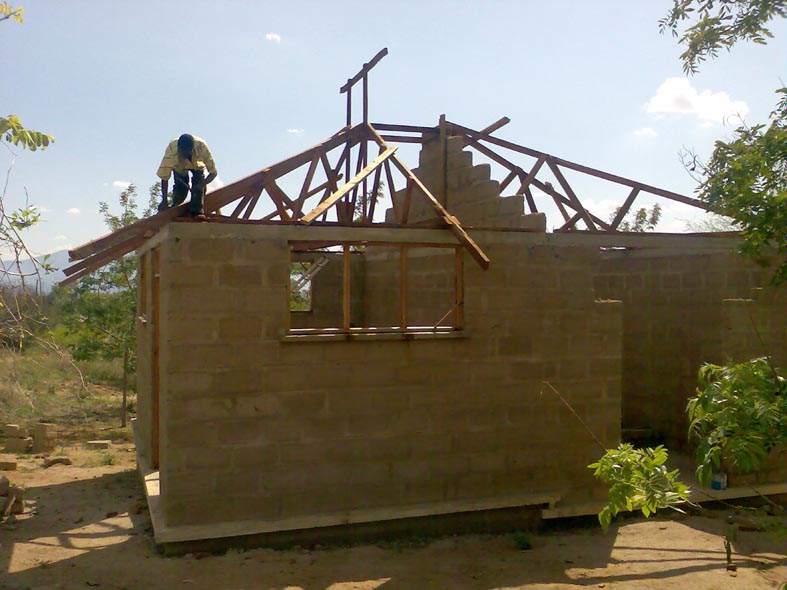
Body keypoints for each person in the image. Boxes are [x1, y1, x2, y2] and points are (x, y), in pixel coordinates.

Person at [156, 133, 217, 217]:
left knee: (198, 185)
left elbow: (213, 172)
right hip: (179, 167)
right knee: (181, 188)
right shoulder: (171, 150)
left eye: (188, 153)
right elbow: (164, 177)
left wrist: (201, 185)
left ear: (192, 149)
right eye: (183, 153)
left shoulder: (201, 147)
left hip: (196, 166)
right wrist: (164, 201)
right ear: (178, 149)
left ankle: (197, 211)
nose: (185, 155)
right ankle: (176, 207)